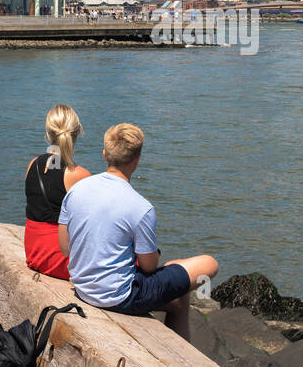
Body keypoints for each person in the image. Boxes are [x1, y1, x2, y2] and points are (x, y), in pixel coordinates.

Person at [58, 123, 217, 340]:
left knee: (178, 294)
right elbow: (150, 266)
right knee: (209, 264)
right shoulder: (141, 207)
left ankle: (180, 348)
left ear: (104, 155)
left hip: (82, 287)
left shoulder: (76, 190)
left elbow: (65, 248)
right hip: (119, 297)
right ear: (137, 159)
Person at [24, 104, 91, 280]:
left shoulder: (33, 164)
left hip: (34, 253)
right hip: (61, 259)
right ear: (78, 132)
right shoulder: (80, 176)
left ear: (48, 134)